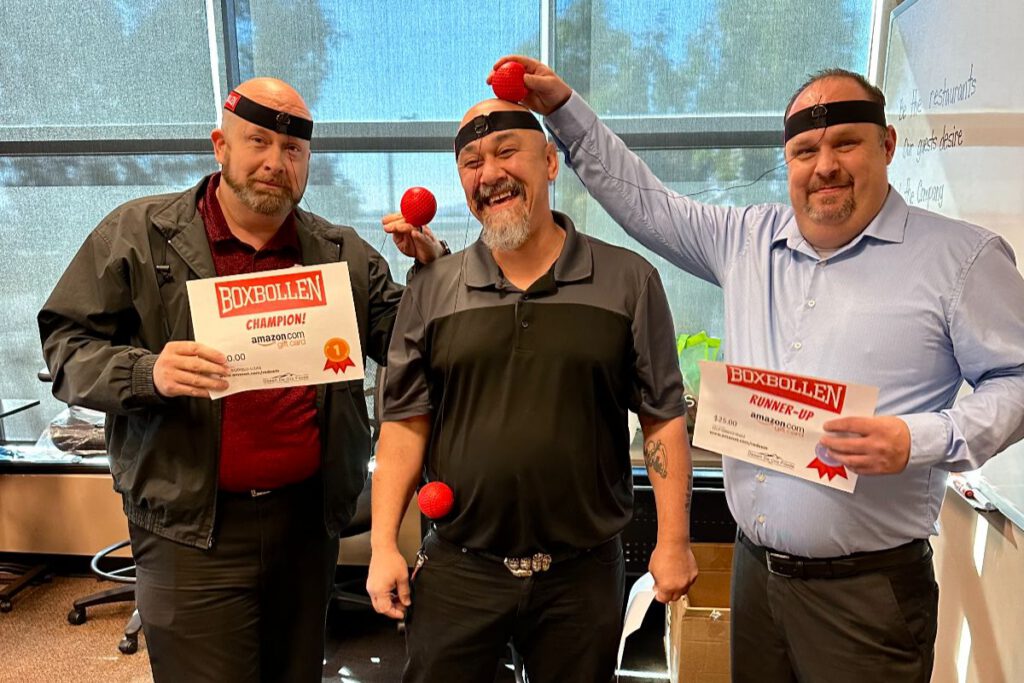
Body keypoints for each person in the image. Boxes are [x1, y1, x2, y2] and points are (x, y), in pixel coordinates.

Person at [494, 56, 1024, 682]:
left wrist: (922, 437)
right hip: (755, 577)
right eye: (805, 151)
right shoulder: (747, 239)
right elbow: (645, 203)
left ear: (886, 145)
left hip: (867, 594)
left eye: (845, 143)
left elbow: (1017, 379)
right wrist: (564, 112)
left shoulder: (961, 259)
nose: (824, 166)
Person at [38, 77, 440, 683]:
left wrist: (432, 271)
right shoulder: (138, 234)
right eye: (258, 141)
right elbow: (66, 345)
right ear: (220, 145)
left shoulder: (341, 253)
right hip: (188, 528)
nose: (275, 162)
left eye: (293, 149)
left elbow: (410, 344)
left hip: (305, 524)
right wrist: (148, 372)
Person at [366, 97, 699, 683]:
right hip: (459, 567)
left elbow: (662, 417)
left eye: (506, 152)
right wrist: (383, 545)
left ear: (549, 161)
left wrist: (674, 540)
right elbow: (404, 422)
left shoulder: (629, 281)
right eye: (472, 162)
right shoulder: (432, 288)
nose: (489, 173)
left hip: (582, 576)